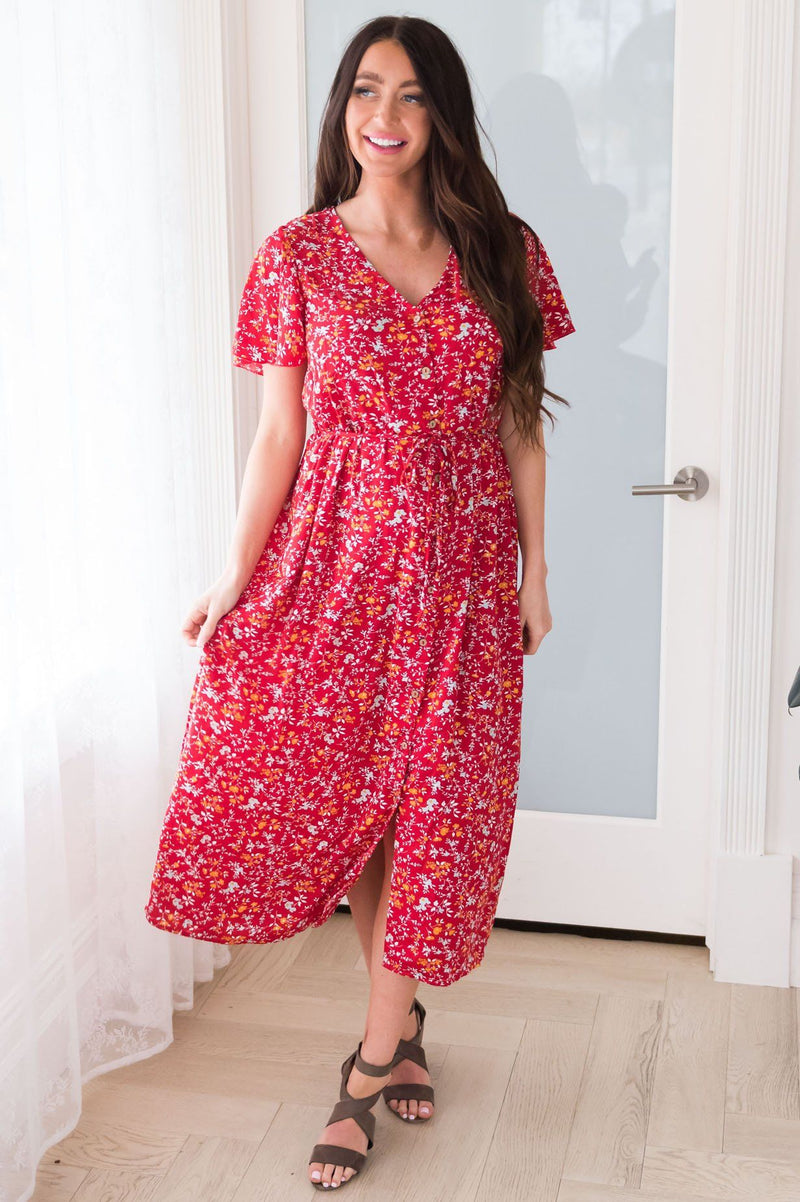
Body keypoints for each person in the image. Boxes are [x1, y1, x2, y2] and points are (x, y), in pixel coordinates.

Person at [143, 13, 575, 1193]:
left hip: (462, 576)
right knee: (366, 815)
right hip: (329, 571)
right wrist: (234, 573)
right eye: (365, 91)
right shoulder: (296, 255)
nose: (384, 116)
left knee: (434, 810)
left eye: (411, 94)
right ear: (342, 109)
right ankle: (403, 1024)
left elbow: (520, 425)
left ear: (443, 115)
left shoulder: (503, 251)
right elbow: (277, 433)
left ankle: (366, 1067)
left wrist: (537, 570)